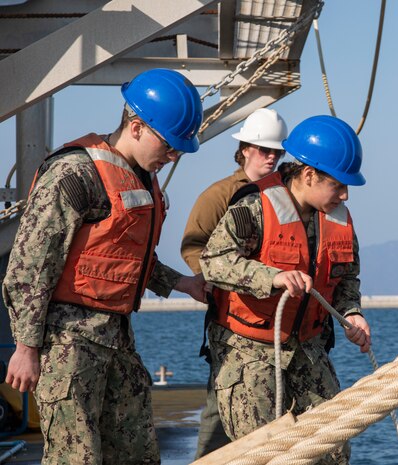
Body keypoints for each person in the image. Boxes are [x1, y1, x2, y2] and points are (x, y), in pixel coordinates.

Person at [3, 68, 207, 465]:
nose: (174, 155)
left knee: (137, 455)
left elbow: (122, 259)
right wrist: (25, 347)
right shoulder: (76, 174)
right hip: (68, 345)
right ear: (136, 127)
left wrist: (183, 283)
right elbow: (29, 266)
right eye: (169, 145)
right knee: (75, 458)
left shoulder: (143, 179)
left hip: (117, 339)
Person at [200, 115, 371, 464]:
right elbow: (213, 262)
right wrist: (270, 277)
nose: (345, 194)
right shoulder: (253, 208)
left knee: (334, 449)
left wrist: (352, 313)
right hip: (249, 353)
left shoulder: (339, 219)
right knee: (262, 454)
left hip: (308, 349)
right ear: (309, 175)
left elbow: (346, 279)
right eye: (338, 185)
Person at [180, 107, 288, 458]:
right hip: (232, 319)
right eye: (264, 150)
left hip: (279, 320)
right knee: (221, 403)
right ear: (244, 149)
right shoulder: (219, 195)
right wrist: (210, 279)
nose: (272, 157)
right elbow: (194, 245)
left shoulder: (287, 195)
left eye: (278, 151)